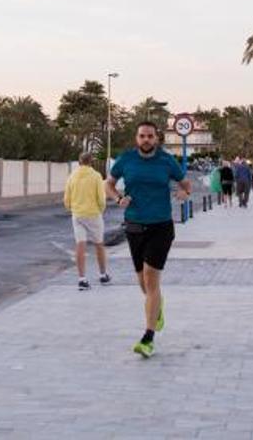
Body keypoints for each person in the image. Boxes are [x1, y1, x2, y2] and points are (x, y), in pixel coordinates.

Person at [105, 121, 192, 358]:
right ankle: (157, 307)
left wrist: (184, 193)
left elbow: (186, 185)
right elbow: (109, 184)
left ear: (157, 138)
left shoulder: (166, 161)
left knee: (151, 279)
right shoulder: (126, 159)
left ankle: (148, 338)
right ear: (137, 138)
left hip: (161, 226)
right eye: (142, 136)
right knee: (143, 283)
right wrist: (117, 198)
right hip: (134, 225)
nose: (146, 139)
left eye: (150, 136)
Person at [63, 151, 111, 290]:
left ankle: (82, 279)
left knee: (80, 245)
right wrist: (101, 209)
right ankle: (103, 275)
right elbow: (101, 198)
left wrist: (71, 208)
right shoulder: (96, 176)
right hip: (93, 214)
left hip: (77, 214)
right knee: (99, 244)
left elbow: (67, 198)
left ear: (79, 161)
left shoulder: (72, 176)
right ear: (91, 162)